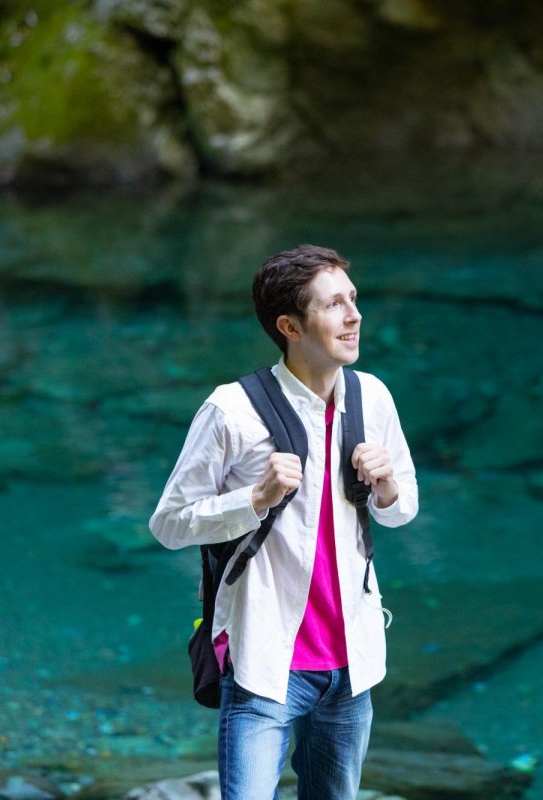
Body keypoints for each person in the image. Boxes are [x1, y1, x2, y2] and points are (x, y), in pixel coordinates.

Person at [149, 244, 419, 799]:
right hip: (264, 661)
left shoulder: (373, 397)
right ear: (290, 326)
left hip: (351, 665)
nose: (354, 315)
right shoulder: (232, 410)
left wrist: (387, 485)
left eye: (353, 299)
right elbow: (170, 523)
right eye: (334, 305)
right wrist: (255, 497)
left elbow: (401, 511)